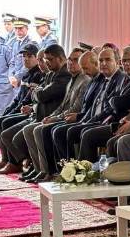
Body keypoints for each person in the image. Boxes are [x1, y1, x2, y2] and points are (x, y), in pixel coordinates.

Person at [1, 44, 72, 177]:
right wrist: (37, 95)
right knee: (9, 132)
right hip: (39, 114)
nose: (46, 63)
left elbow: (43, 94)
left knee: (27, 133)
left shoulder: (64, 75)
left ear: (61, 58)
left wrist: (37, 92)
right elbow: (36, 95)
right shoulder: (52, 73)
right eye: (45, 60)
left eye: (49, 59)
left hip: (50, 116)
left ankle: (43, 169)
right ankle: (35, 166)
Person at [24, 48, 93, 182]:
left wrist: (55, 118)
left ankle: (53, 171)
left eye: (76, 60)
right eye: (70, 59)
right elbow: (62, 106)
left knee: (45, 130)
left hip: (75, 117)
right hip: (63, 116)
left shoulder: (84, 80)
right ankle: (42, 170)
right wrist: (51, 116)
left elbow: (76, 108)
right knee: (36, 129)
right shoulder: (72, 79)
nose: (71, 63)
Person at [76, 46, 130, 161]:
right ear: (121, 62)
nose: (127, 64)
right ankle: (81, 167)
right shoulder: (126, 77)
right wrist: (115, 101)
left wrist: (113, 100)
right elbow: (113, 103)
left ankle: (86, 169)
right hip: (116, 120)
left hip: (125, 122)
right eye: (125, 61)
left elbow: (122, 103)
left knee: (88, 135)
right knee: (84, 132)